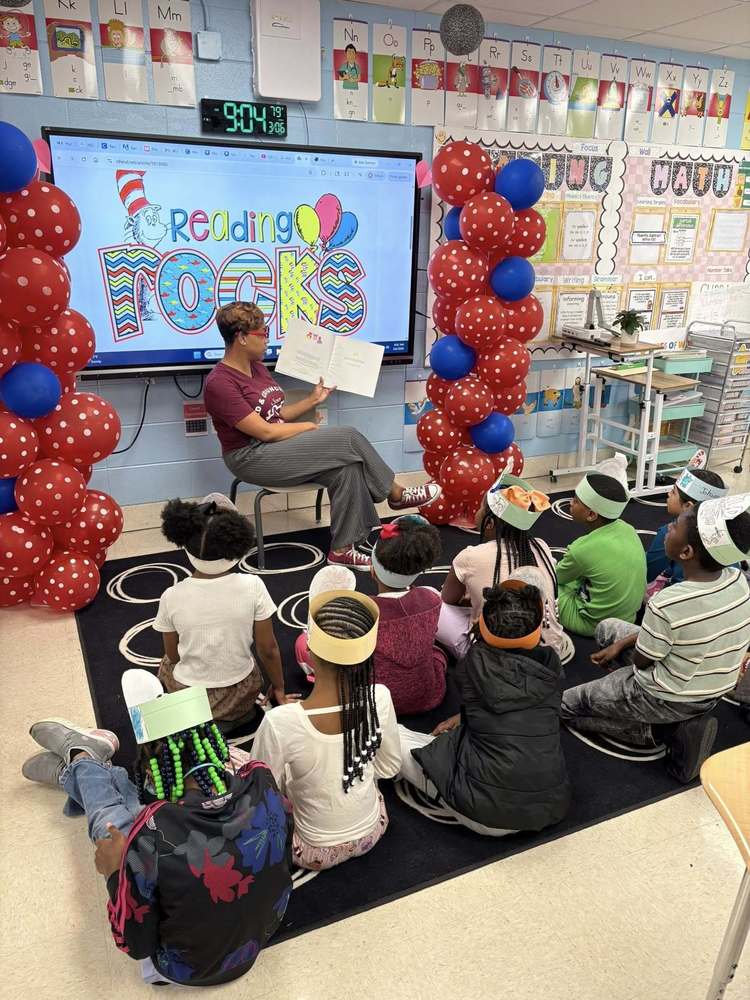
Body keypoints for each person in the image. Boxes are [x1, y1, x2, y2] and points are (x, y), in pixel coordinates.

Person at [21, 673, 293, 987]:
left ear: (152, 770)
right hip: (258, 939)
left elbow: (134, 943)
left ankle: (81, 761)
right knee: (141, 838)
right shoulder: (261, 780)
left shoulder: (152, 832)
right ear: (215, 746)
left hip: (185, 971)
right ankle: (81, 769)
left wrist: (114, 872)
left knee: (111, 831)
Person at [203, 302, 440, 570]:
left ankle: (342, 549)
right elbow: (265, 431)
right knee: (348, 436)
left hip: (278, 447)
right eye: (262, 333)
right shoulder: (220, 383)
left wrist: (312, 399)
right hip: (251, 456)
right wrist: (306, 427)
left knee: (347, 468)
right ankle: (396, 494)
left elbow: (277, 413)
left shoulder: (256, 367)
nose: (267, 338)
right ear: (241, 338)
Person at [560, 494, 750, 783]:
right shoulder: (738, 582)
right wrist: (620, 644)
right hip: (712, 690)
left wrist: (628, 656)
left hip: (661, 695)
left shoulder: (668, 603)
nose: (667, 529)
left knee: (566, 705)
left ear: (686, 552)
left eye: (674, 526)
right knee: (609, 628)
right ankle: (674, 720)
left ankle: (658, 732)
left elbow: (643, 661)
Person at [399, 581, 571, 835]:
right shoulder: (552, 664)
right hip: (549, 806)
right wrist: (463, 717)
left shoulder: (473, 664)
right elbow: (513, 700)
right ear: (537, 627)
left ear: (484, 623)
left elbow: (496, 697)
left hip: (483, 812)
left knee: (383, 732)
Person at [252, 592, 401, 870]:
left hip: (312, 852)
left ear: (308, 650)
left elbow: (263, 792)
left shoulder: (280, 722)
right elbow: (390, 766)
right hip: (373, 830)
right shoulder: (379, 697)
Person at [155, 495, 298, 723]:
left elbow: (173, 655)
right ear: (236, 547)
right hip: (240, 699)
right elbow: (267, 648)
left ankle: (185, 718)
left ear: (185, 546)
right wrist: (278, 687)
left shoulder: (171, 596)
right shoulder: (253, 586)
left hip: (190, 696)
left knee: (165, 662)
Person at [438, 472, 573, 664]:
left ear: (490, 523)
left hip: (493, 656)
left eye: (480, 508)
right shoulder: (541, 546)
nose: (476, 512)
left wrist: (473, 598)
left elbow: (447, 599)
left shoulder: (470, 556)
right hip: (548, 651)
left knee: (433, 604)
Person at [556, 455, 646, 637]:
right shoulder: (628, 529)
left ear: (591, 515)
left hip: (593, 625)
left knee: (541, 580)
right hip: (627, 619)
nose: (570, 504)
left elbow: (556, 578)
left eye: (575, 501)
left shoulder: (581, 549)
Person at [370, 515, 447, 714]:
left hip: (377, 702)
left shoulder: (362, 612)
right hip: (427, 694)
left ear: (372, 570)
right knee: (437, 653)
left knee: (305, 644)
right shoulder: (432, 599)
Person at [646, 466, 728, 589]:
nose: (668, 494)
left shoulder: (670, 533)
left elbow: (647, 573)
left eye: (673, 492)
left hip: (686, 596)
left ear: (688, 506)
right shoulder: (728, 531)